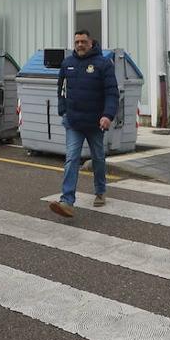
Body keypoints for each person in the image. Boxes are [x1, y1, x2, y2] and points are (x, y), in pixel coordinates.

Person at [49, 29, 119, 218]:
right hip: (73, 122)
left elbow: (112, 93)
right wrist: (62, 109)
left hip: (96, 123)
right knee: (71, 158)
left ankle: (100, 191)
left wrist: (108, 115)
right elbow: (61, 89)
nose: (80, 45)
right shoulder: (67, 64)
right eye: (77, 42)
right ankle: (67, 201)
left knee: (97, 158)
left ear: (91, 42)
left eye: (83, 42)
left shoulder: (103, 64)